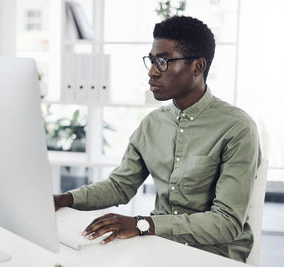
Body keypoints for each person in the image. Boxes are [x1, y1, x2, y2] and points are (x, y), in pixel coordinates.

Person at [54, 15, 261, 263]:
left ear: (198, 66)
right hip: (157, 242)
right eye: (152, 61)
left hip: (214, 253)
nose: (152, 72)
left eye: (163, 62)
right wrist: (63, 199)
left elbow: (226, 223)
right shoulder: (152, 124)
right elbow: (119, 186)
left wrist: (143, 225)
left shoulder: (237, 127)